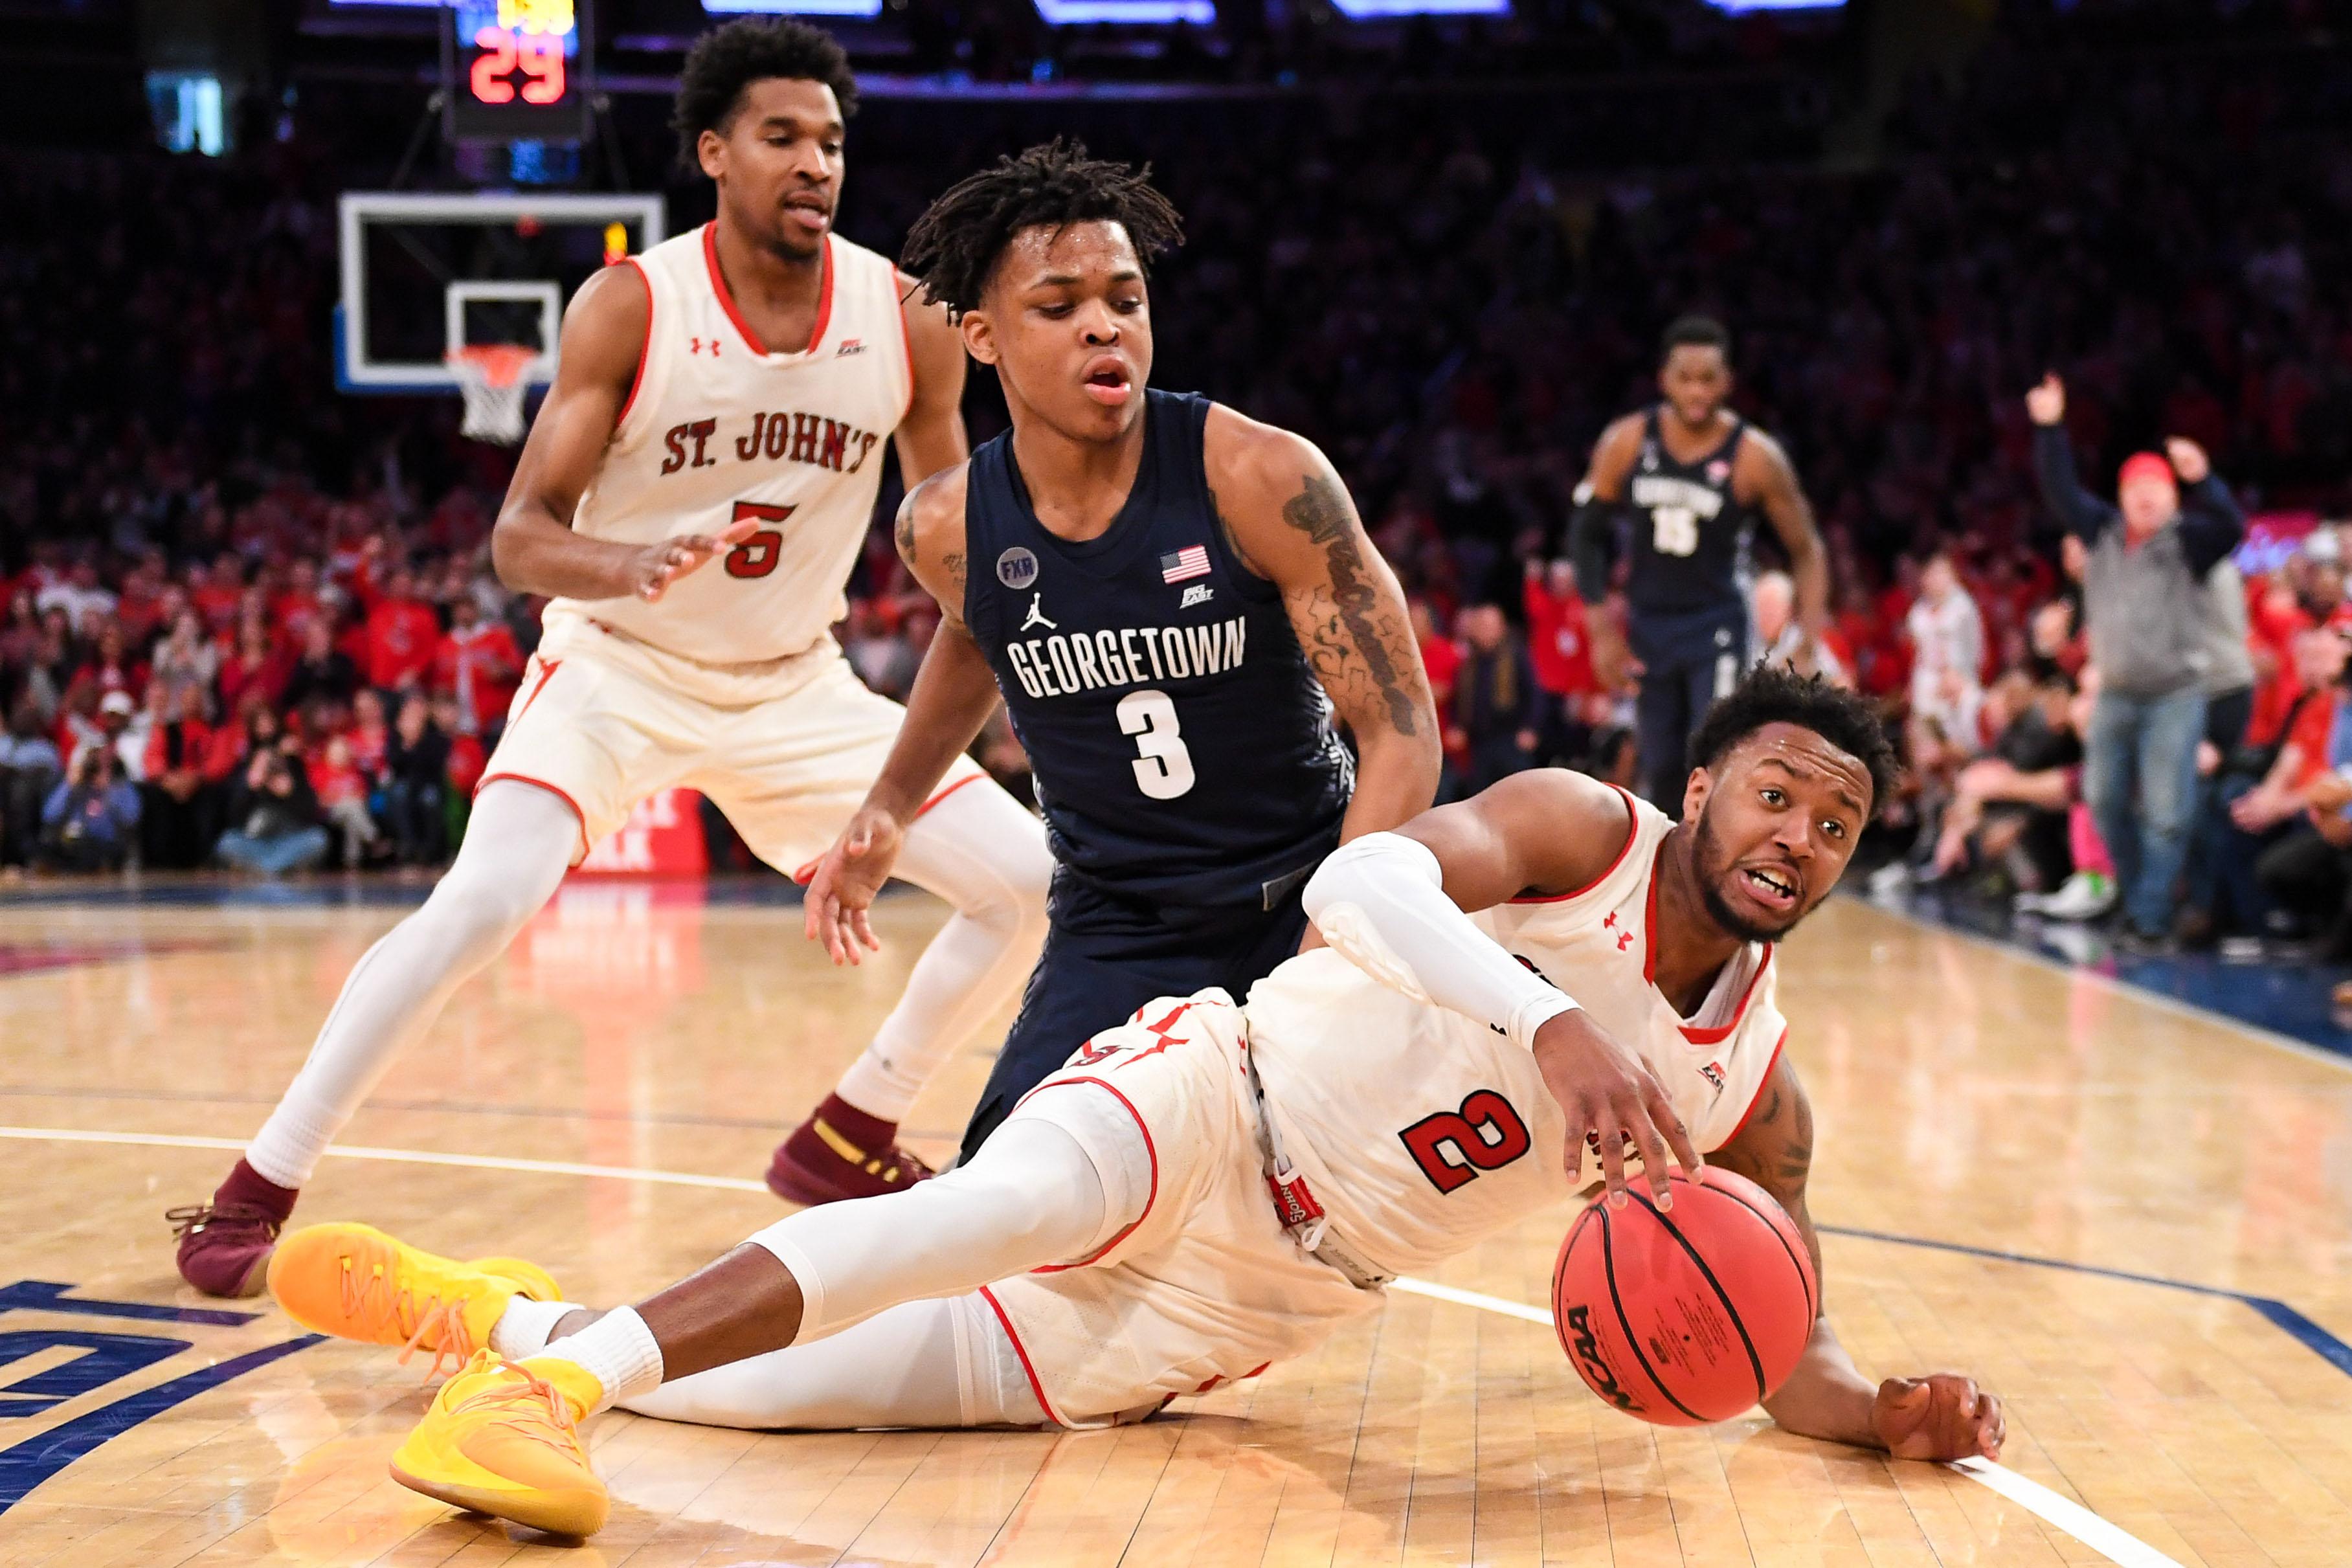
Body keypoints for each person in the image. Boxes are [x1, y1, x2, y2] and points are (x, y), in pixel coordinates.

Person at [266, 669, 1999, 1540]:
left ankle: (496, 1319)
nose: (1796, 837)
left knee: (787, 1405)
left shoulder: (1756, 1097)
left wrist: (1887, 1406)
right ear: (1705, 783)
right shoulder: (1578, 829)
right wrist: (1547, 1018)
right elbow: (1364, 884)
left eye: (1834, 825)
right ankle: (555, 1391)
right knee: (980, 1210)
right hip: (1215, 1094)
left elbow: (1794, 1353)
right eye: (1777, 792)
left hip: (1261, 1298)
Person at [166, 18, 1055, 1297]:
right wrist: (621, 564)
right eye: (782, 137)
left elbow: (947, 537)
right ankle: (261, 1177)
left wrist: (1028, 643)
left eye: (833, 142)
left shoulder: (904, 317)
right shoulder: (631, 303)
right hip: (616, 667)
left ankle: (854, 1125)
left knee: (1035, 884)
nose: (815, 163)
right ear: (714, 151)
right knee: (479, 902)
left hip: (795, 686)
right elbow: (519, 538)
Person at [797, 142, 1442, 1168]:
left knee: (1280, 1235)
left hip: (1299, 895)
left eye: (1126, 298)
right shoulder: (947, 526)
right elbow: (976, 634)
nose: (1104, 324)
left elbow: (1400, 731)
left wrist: (1338, 945)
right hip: (1117, 925)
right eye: (1058, 307)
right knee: (1002, 1218)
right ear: (982, 336)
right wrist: (888, 803)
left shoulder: (1258, 476)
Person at [1569, 315, 1829, 812]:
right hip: (1650, 624)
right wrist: (1600, 627)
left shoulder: (1754, 457)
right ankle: (1668, 876)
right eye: (1684, 378)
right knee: (1661, 765)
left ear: (1727, 382)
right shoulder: (1627, 441)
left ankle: (1718, 879)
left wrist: (1809, 638)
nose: (1695, 391)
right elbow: (1585, 533)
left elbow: (1807, 549)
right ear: (1663, 378)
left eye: (1707, 379)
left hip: (1718, 623)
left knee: (1713, 757)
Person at [2026, 373, 2247, 948]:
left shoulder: (2186, 542)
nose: (2148, 497)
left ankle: (2148, 920)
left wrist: (2205, 479)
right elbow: (2059, 490)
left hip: (2175, 694)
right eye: (2137, 488)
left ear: (2173, 498)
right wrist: (2050, 427)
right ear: (2121, 497)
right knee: (2101, 798)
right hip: (2118, 694)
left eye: (2160, 488)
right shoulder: (2099, 533)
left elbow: (2232, 528)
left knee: (2167, 811)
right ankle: (2139, 898)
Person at [216, 745, 330, 878]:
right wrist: (250, 789)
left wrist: (290, 794)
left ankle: (267, 870)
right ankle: (275, 869)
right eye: (263, 764)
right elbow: (233, 819)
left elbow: (310, 817)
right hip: (255, 845)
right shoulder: (248, 785)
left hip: (289, 845)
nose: (268, 768)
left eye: (272, 762)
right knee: (227, 841)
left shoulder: (295, 781)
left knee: (318, 838)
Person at [39, 745, 140, 872]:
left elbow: (130, 818)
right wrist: (69, 786)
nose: (96, 769)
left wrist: (109, 790)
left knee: (94, 852)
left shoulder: (121, 785)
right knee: (46, 847)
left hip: (105, 847)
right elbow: (50, 816)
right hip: (72, 844)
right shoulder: (74, 786)